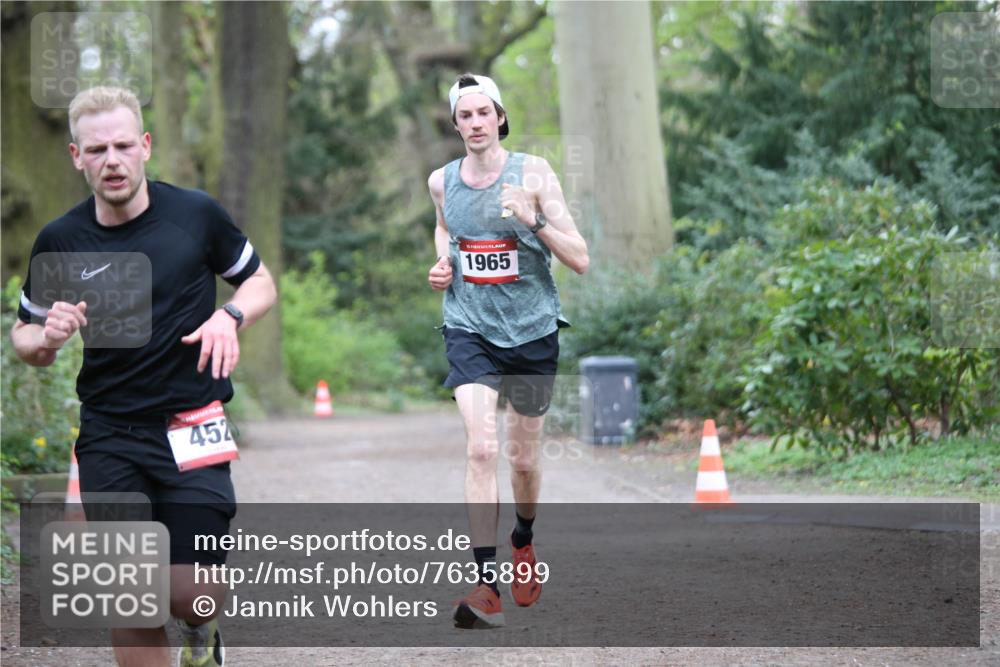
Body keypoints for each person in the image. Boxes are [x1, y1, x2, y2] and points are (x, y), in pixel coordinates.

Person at [11, 86, 276, 667]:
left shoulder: (196, 216)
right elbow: (25, 337)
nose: (113, 160)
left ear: (145, 147)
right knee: (131, 599)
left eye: (124, 145)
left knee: (193, 594)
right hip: (110, 433)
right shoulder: (60, 240)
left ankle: (200, 636)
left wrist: (230, 316)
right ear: (76, 156)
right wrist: (47, 339)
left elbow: (260, 283)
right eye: (98, 148)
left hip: (193, 425)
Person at [427, 73, 589, 629]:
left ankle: (523, 539)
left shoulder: (534, 173)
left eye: (482, 113)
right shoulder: (441, 182)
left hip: (532, 332)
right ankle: (485, 584)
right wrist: (443, 264)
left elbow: (580, 258)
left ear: (499, 117)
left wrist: (533, 218)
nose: (474, 124)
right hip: (469, 327)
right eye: (463, 116)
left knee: (521, 461)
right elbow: (445, 229)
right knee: (480, 449)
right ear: (455, 125)